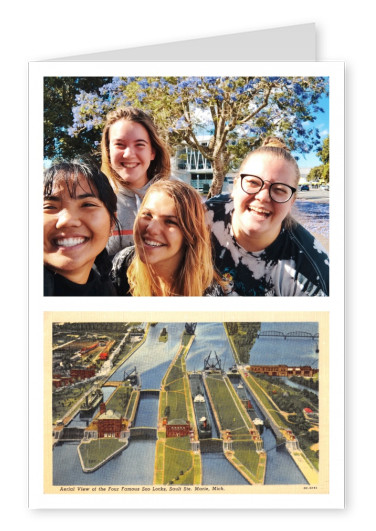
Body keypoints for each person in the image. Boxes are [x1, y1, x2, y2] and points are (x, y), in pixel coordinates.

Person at [206, 137, 329, 296]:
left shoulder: (311, 274)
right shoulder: (202, 217)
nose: (263, 197)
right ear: (235, 186)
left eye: (279, 189)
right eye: (253, 183)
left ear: (292, 201)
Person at [111, 180, 224, 296]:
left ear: (190, 234)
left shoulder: (209, 293)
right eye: (147, 215)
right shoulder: (122, 264)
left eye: (170, 222)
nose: (151, 229)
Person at [101, 106, 171, 257]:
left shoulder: (176, 197)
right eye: (119, 144)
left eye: (139, 144)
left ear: (152, 152)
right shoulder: (96, 200)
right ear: (108, 151)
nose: (129, 154)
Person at [44, 158, 119, 296]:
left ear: (112, 224)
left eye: (87, 205)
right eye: (49, 207)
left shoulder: (106, 291)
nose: (67, 220)